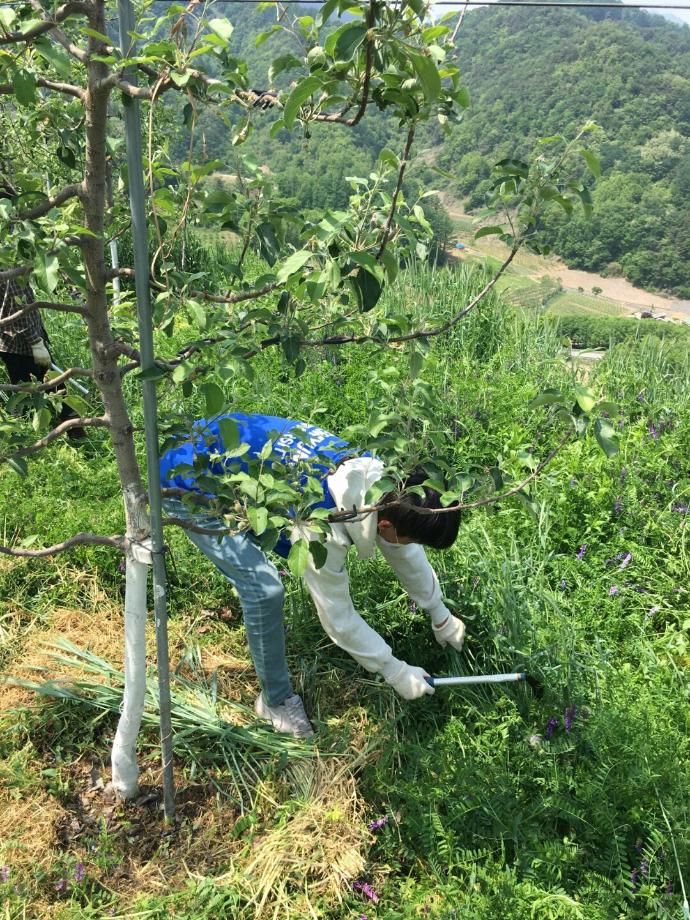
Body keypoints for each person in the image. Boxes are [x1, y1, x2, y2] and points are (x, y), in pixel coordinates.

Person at [160, 413, 465, 738]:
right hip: (188, 479)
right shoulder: (321, 529)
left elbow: (403, 550)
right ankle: (274, 702)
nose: (410, 545)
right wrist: (396, 671)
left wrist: (439, 614)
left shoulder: (382, 484)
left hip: (226, 441)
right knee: (264, 590)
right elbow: (339, 618)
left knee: (268, 556)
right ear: (386, 526)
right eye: (413, 538)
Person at [0, 277, 84, 436]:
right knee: (50, 385)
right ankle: (75, 434)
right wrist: (35, 343)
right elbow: (20, 310)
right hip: (20, 343)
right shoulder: (12, 267)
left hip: (13, 342)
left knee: (26, 389)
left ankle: (23, 434)